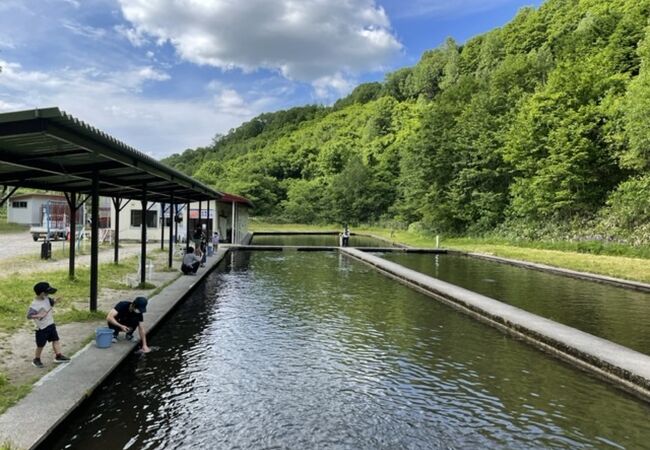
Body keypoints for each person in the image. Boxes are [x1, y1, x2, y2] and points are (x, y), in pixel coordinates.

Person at [26, 281, 70, 368]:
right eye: (48, 292)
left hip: (51, 324)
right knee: (41, 345)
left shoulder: (47, 298)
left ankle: (58, 356)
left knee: (55, 340)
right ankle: (36, 359)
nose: (49, 294)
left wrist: (56, 301)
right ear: (42, 293)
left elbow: (51, 302)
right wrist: (38, 315)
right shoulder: (34, 305)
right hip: (41, 328)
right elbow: (29, 316)